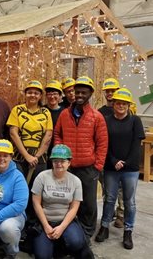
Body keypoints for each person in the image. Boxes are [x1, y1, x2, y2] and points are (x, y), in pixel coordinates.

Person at [54, 76, 108, 243]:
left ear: (90, 93)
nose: (79, 95)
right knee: (68, 201)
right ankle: (70, 231)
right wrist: (60, 154)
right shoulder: (64, 114)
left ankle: (86, 235)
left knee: (89, 205)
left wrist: (97, 167)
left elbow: (102, 143)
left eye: (84, 92)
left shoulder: (96, 117)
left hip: (88, 168)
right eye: (77, 92)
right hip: (68, 168)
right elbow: (57, 134)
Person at [95, 88, 145, 250]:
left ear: (128, 105)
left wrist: (125, 162)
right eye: (118, 103)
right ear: (113, 104)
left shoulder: (135, 121)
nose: (121, 106)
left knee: (129, 202)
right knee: (109, 198)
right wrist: (114, 161)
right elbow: (104, 144)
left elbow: (136, 145)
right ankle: (104, 227)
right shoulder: (107, 120)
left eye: (124, 104)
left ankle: (128, 231)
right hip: (111, 167)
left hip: (130, 169)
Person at [32, 144, 94, 259]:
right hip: (46, 221)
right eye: (55, 161)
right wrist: (46, 226)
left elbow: (74, 208)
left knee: (76, 243)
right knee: (42, 256)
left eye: (63, 161)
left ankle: (61, 243)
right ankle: (55, 245)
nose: (59, 164)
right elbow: (36, 203)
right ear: (52, 162)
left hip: (65, 221)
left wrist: (61, 227)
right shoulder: (42, 177)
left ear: (69, 163)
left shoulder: (75, 181)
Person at [7, 80, 53, 184]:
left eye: (36, 93)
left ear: (40, 96)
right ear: (25, 94)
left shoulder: (45, 112)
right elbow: (13, 133)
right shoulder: (17, 110)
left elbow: (48, 135)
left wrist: (36, 156)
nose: (33, 95)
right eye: (30, 92)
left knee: (37, 190)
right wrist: (27, 156)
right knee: (19, 187)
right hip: (19, 157)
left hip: (40, 158)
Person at [98, 78, 125, 228]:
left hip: (120, 157)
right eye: (107, 91)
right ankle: (109, 213)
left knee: (121, 188)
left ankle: (121, 214)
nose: (109, 93)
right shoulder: (100, 112)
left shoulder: (126, 110)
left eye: (112, 91)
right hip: (105, 156)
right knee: (108, 189)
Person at [44, 80, 65, 169]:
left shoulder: (65, 112)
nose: (52, 96)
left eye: (55, 94)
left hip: (59, 153)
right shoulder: (41, 111)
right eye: (49, 94)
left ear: (60, 96)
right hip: (43, 153)